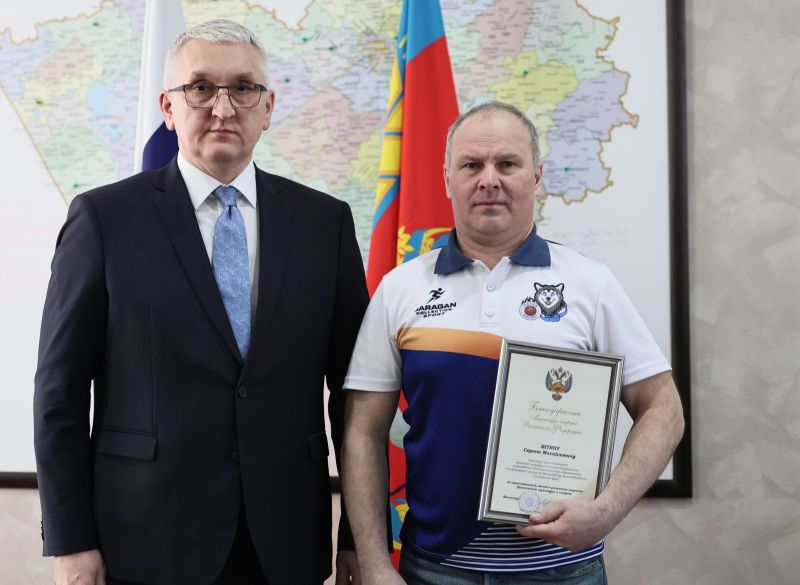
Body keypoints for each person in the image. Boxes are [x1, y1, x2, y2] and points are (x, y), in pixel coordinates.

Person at [34, 19, 366, 585]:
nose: (223, 107)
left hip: (285, 543)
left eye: (243, 88)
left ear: (268, 107)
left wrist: (359, 536)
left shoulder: (325, 224)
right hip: (143, 540)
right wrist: (70, 541)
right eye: (200, 88)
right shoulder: (104, 220)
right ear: (168, 106)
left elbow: (355, 398)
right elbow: (59, 395)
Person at [341, 102, 685, 585]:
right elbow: (362, 430)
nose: (489, 180)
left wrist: (607, 509)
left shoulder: (591, 284)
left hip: (561, 570)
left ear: (536, 177)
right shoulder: (400, 289)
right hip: (434, 568)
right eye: (471, 165)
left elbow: (664, 409)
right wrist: (376, 564)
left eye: (507, 163)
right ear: (447, 179)